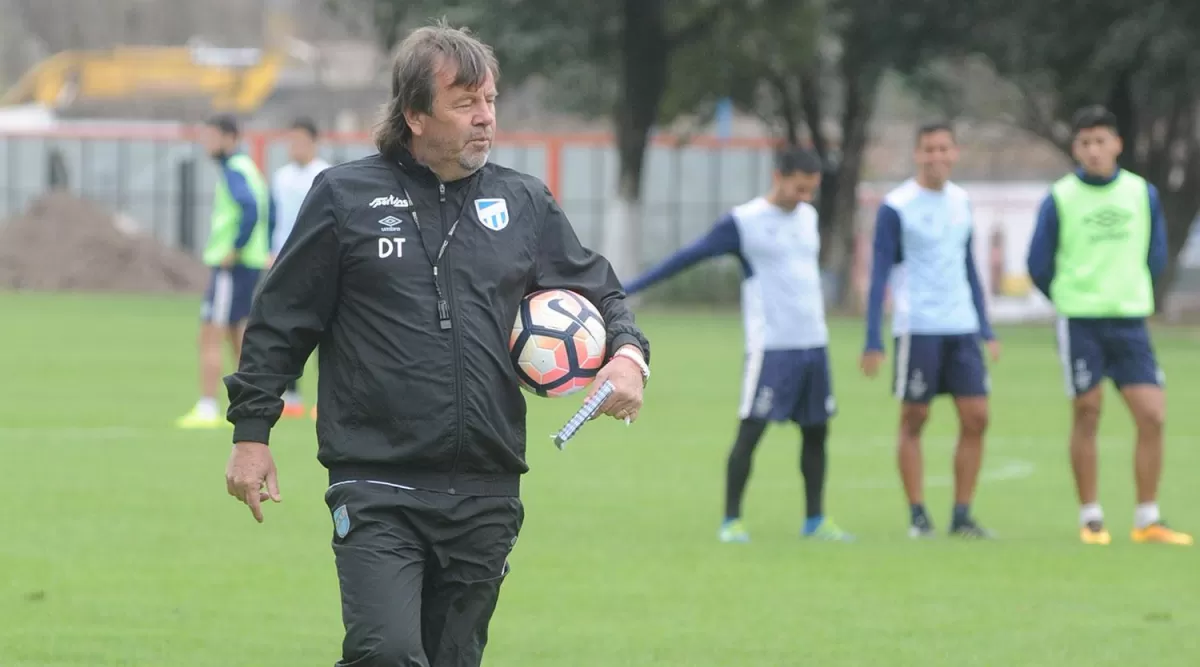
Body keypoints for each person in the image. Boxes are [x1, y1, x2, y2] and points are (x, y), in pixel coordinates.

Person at [222, 22, 652, 667]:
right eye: (464, 103)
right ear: (416, 115)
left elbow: (602, 293)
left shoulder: (523, 201)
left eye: (491, 101)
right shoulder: (344, 197)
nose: (485, 118)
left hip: (486, 487)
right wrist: (251, 433)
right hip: (374, 482)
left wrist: (626, 355)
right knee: (387, 655)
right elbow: (282, 321)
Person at [624, 146, 851, 543]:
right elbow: (686, 258)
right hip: (771, 348)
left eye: (811, 191)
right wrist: (628, 289)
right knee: (752, 430)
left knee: (817, 432)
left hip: (814, 343)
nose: (806, 198)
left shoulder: (809, 217)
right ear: (779, 176)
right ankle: (732, 521)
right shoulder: (743, 223)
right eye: (800, 188)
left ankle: (815, 520)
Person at [1026, 105, 1192, 546]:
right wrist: (1070, 296)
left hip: (1129, 320)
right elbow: (1038, 264)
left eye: (1101, 141)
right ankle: (1092, 517)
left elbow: (1155, 254)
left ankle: (1147, 518)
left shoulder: (1142, 193)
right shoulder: (1061, 197)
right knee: (1088, 411)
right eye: (1085, 143)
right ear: (1075, 149)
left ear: (1117, 144)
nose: (1094, 151)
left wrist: (1132, 288)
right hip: (1081, 321)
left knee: (1153, 415)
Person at [861, 121, 999, 539]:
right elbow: (880, 272)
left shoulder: (962, 202)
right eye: (928, 150)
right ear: (917, 154)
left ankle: (962, 514)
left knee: (977, 417)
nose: (936, 157)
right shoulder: (897, 206)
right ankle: (918, 515)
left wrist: (986, 328)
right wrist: (873, 338)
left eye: (944, 149)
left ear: (955, 153)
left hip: (962, 326)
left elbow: (968, 266)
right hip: (917, 326)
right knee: (915, 416)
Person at [176, 114, 272, 429]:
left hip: (233, 266)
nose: (207, 144)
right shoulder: (249, 169)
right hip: (248, 263)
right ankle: (257, 402)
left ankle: (207, 407)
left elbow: (251, 209)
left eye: (211, 137)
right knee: (237, 335)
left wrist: (236, 246)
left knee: (210, 334)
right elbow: (269, 208)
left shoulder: (234, 171)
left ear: (230, 138)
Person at [269, 116, 331, 419]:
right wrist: (271, 251)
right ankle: (290, 396)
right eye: (290, 141)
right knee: (288, 329)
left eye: (300, 141)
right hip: (285, 261)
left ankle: (324, 399)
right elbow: (274, 218)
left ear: (313, 143)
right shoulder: (280, 177)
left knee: (323, 331)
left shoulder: (325, 175)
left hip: (319, 263)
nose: (294, 147)